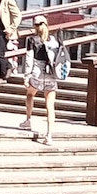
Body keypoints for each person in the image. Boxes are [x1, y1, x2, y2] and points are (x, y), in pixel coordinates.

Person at [22, 16, 67, 144]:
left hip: (37, 73)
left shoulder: (32, 40)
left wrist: (26, 76)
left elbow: (29, 59)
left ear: (35, 26)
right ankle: (49, 135)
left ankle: (28, 119)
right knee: (50, 105)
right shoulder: (54, 40)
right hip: (52, 74)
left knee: (30, 94)